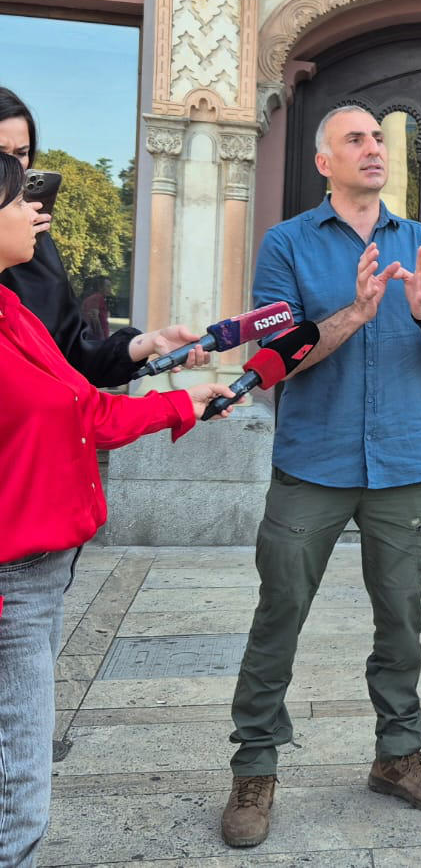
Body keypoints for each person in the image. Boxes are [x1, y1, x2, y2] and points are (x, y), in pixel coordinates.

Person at [222, 105, 421, 847]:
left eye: (377, 139)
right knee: (279, 617)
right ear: (324, 161)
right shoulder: (287, 243)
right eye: (355, 139)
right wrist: (353, 314)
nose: (373, 149)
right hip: (313, 462)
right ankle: (255, 766)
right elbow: (271, 359)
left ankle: (397, 756)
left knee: (403, 622)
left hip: (403, 463)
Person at [0, 152, 233, 868]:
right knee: (20, 788)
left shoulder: (13, 307)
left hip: (42, 573)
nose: (37, 211)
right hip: (9, 587)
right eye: (18, 197)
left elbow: (85, 406)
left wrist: (180, 403)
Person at [0, 86, 210, 384]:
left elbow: (73, 355)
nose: (14, 170)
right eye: (0, 154)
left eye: (21, 154)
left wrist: (151, 342)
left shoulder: (36, 244)